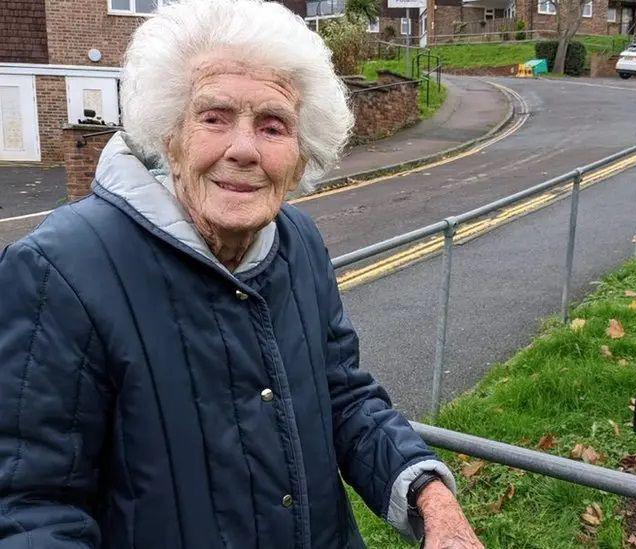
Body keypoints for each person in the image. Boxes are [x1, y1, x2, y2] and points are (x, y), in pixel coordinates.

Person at [0, 1, 482, 547]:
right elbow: (29, 507)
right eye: (214, 117)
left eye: (273, 126)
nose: (244, 149)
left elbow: (343, 398)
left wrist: (432, 499)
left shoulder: (298, 241)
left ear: (302, 156)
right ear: (170, 136)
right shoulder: (58, 270)